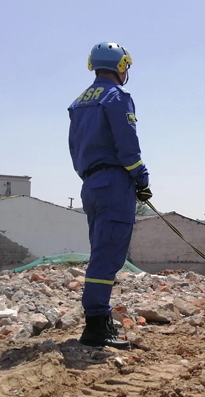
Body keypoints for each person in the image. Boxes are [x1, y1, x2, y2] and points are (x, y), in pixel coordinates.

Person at [68, 42, 152, 350]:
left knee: (99, 254)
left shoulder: (79, 103)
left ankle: (97, 322)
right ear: (120, 66)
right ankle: (96, 329)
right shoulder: (116, 98)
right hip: (114, 183)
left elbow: (76, 149)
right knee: (107, 258)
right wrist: (141, 179)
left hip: (90, 184)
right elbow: (128, 147)